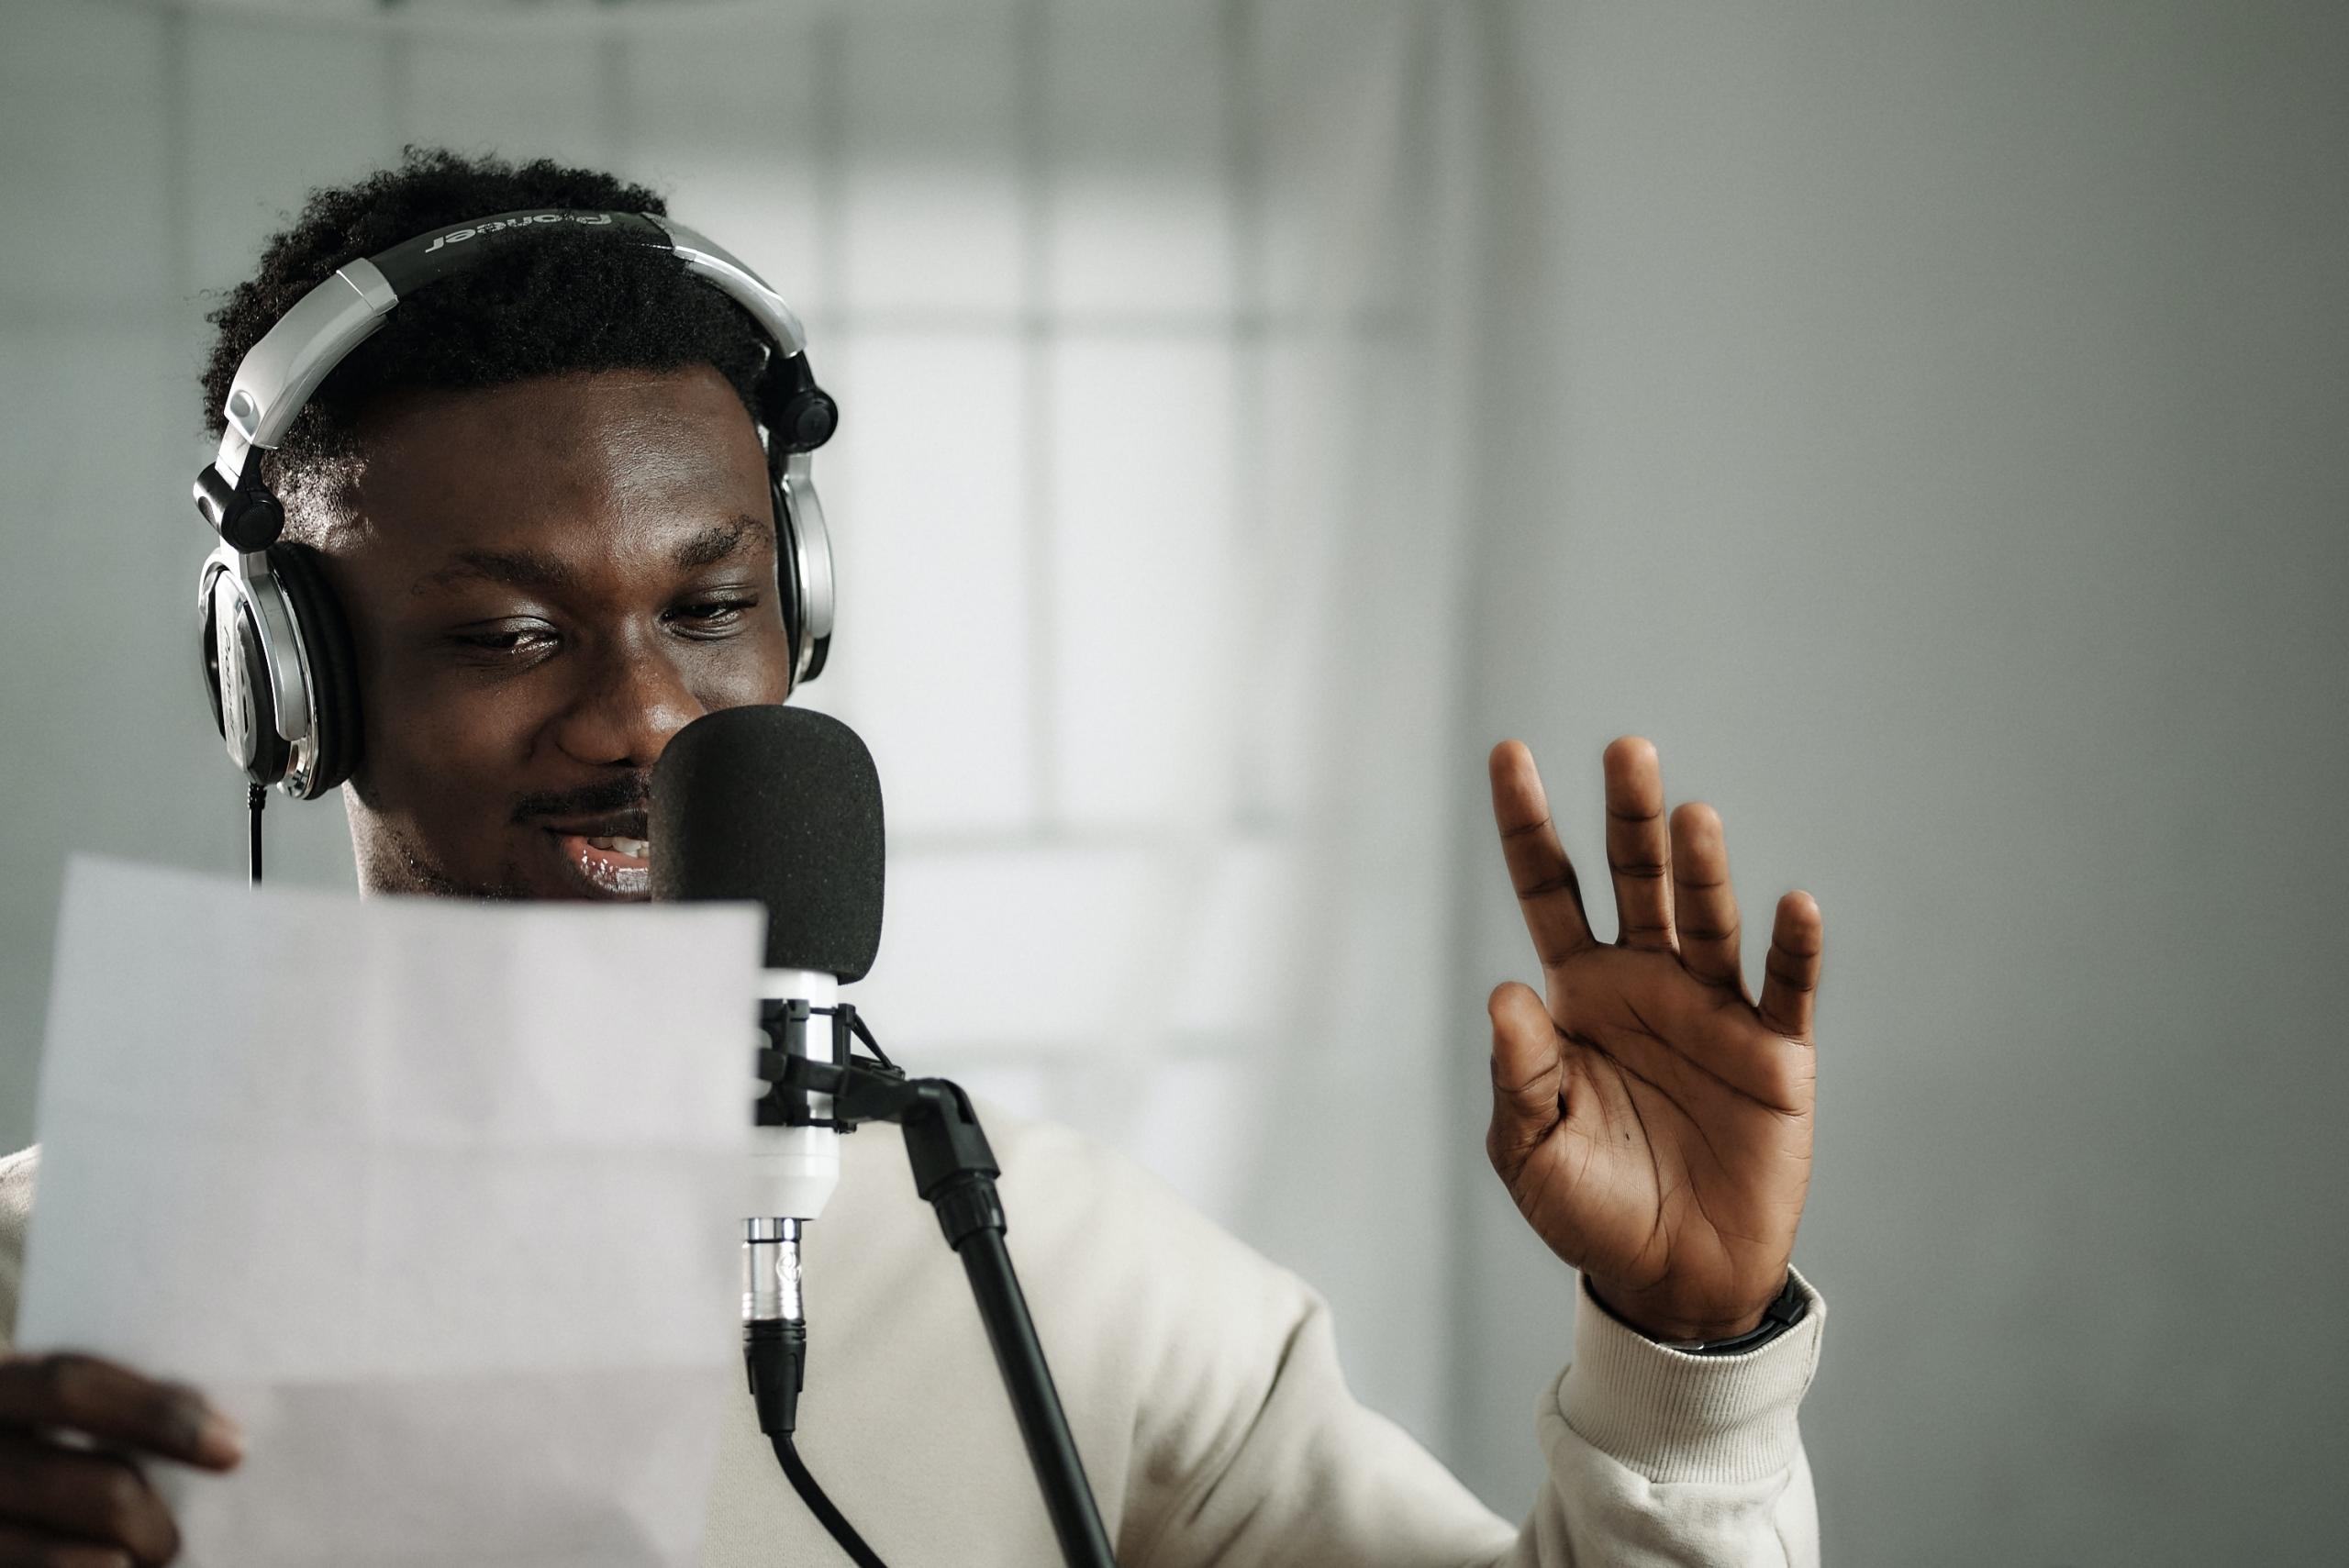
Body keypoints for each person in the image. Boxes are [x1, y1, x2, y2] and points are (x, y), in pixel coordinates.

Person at [0, 150, 1828, 1567]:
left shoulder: (1053, 1273)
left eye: (709, 605)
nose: (644, 719)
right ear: (291, 686)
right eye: (506, 634)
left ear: (798, 615)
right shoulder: (37, 1299)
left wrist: (1686, 1357)